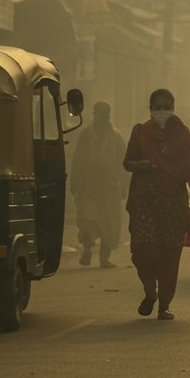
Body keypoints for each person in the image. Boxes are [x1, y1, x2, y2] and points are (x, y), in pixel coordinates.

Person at [123, 89, 190, 320]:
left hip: (173, 203)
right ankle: (150, 291)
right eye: (157, 107)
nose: (161, 111)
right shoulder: (140, 132)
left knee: (169, 255)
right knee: (142, 249)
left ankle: (164, 305)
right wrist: (144, 165)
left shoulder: (182, 134)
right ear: (150, 109)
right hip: (144, 200)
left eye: (165, 107)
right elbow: (127, 163)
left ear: (173, 108)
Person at [71, 100, 126, 268]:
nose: (101, 117)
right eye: (98, 113)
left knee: (109, 225)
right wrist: (74, 183)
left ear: (108, 115)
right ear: (95, 114)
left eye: (104, 114)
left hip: (110, 186)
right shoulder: (86, 135)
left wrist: (124, 185)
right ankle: (87, 249)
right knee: (87, 220)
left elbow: (123, 163)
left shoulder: (116, 136)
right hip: (88, 186)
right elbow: (78, 161)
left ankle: (104, 258)